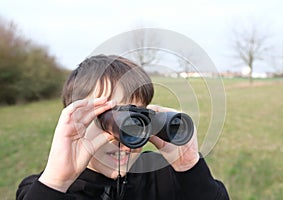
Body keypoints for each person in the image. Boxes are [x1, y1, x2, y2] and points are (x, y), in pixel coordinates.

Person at [16, 54, 229, 200]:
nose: (125, 142)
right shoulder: (44, 188)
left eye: (137, 121)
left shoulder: (162, 174)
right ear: (74, 121)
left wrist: (189, 166)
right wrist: (56, 182)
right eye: (110, 119)